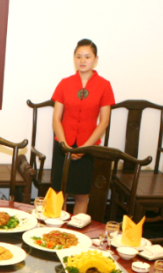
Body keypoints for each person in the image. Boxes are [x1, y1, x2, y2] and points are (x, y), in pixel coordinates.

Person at [50, 39, 115, 216]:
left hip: (89, 147)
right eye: (78, 56)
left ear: (96, 59)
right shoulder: (65, 83)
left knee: (82, 195)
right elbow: (56, 119)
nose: (82, 60)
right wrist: (64, 145)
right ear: (74, 59)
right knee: (59, 195)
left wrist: (85, 148)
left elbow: (104, 121)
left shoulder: (104, 85)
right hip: (63, 145)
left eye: (87, 56)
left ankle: (77, 230)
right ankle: (58, 229)